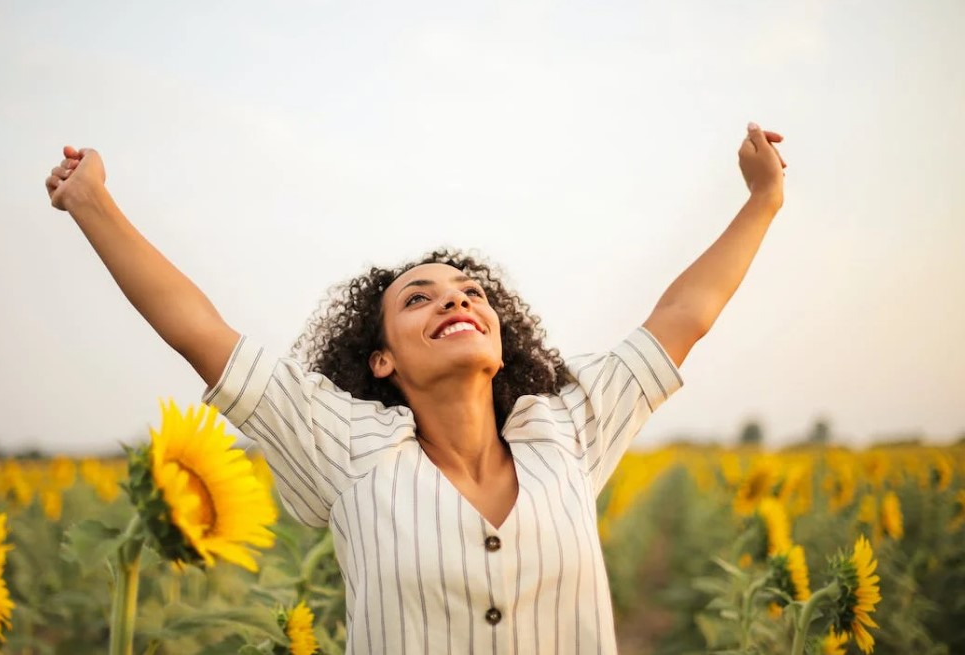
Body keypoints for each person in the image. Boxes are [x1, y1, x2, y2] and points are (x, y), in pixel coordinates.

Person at [45, 122, 786, 654]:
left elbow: (683, 317)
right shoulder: (347, 450)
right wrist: (92, 202)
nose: (456, 301)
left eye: (469, 293)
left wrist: (762, 201)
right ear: (381, 361)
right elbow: (199, 333)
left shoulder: (566, 428)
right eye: (419, 298)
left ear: (501, 340)